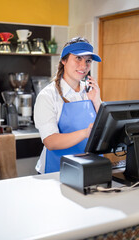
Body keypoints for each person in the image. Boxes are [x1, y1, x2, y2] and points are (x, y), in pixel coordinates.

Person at [34, 37, 102, 174]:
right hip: (56, 172)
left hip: (89, 168)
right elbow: (50, 142)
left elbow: (104, 128)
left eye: (88, 61)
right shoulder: (47, 96)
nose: (83, 66)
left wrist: (97, 101)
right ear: (64, 60)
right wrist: (85, 133)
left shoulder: (90, 91)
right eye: (78, 58)